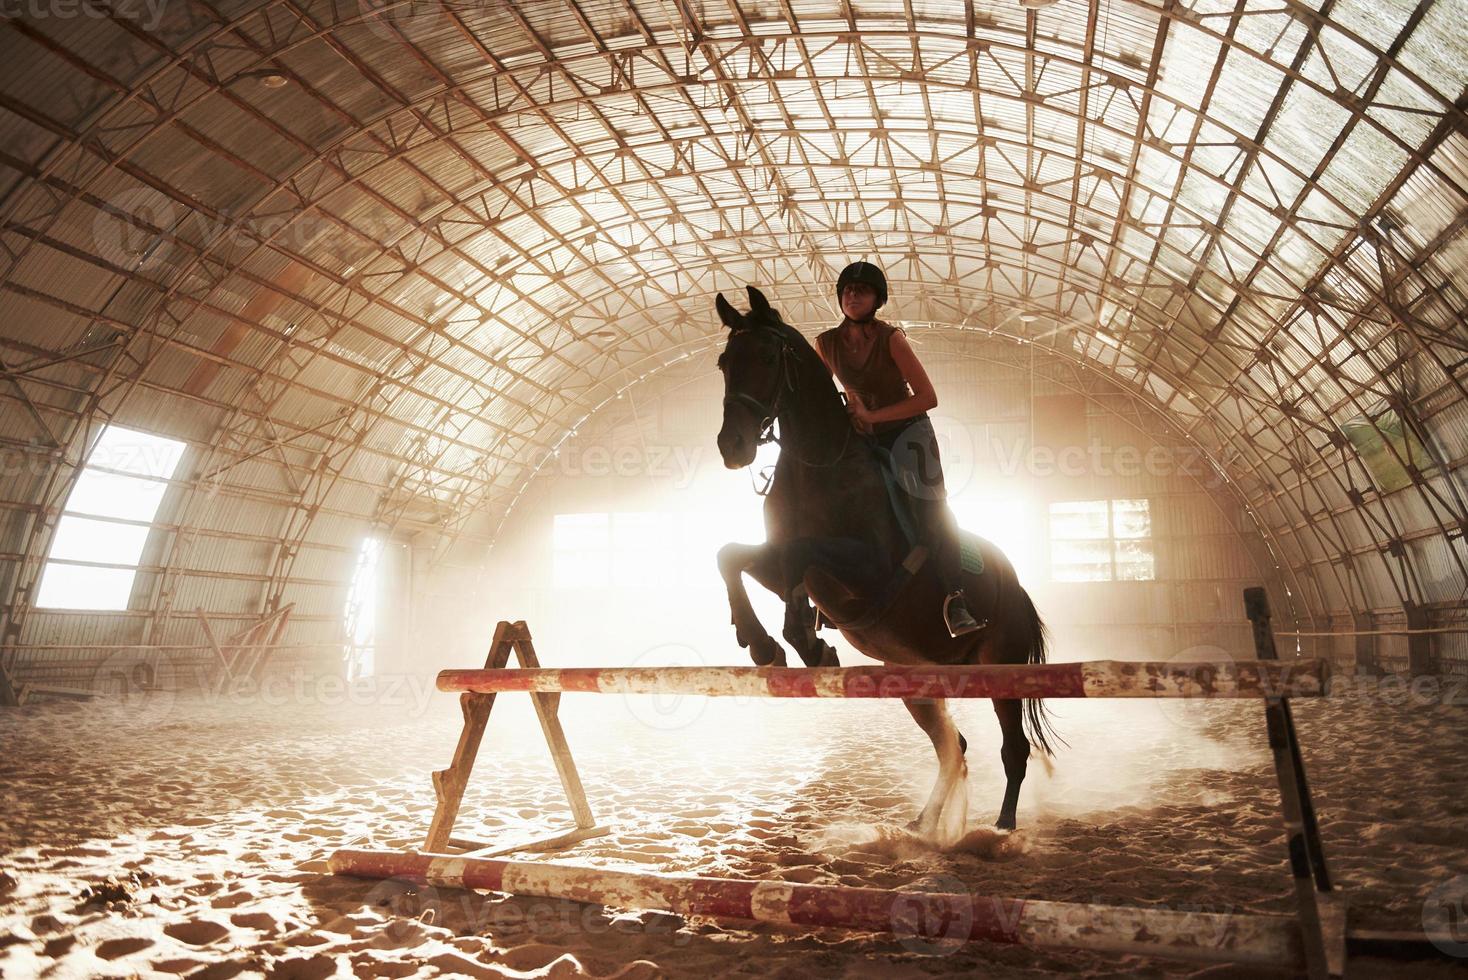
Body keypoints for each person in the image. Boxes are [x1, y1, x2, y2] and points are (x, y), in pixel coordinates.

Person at [813, 261, 981, 637]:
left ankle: (956, 598)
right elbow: (820, 398)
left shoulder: (892, 339)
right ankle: (825, 593)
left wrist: (872, 416)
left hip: (909, 434)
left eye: (862, 290)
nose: (853, 295)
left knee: (931, 508)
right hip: (862, 434)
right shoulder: (825, 344)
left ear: (877, 300)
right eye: (848, 289)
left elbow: (927, 397)